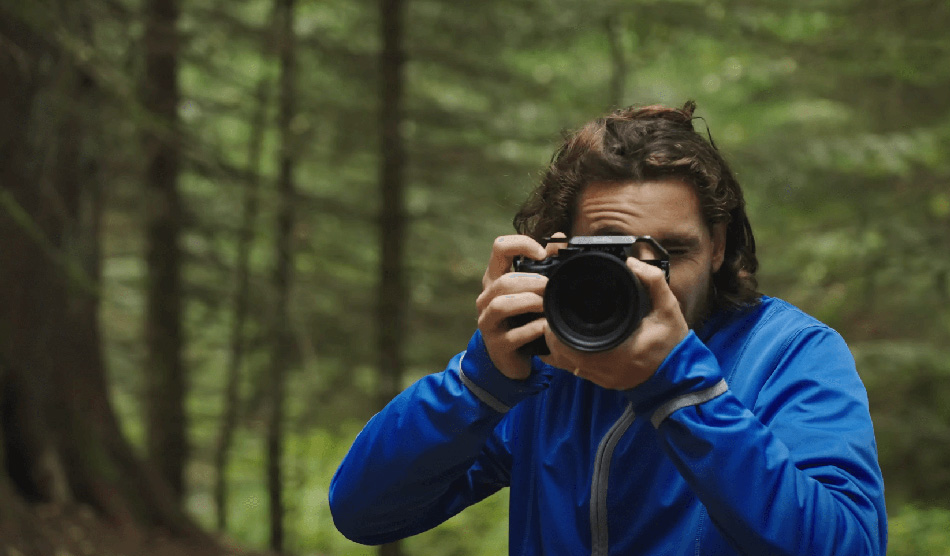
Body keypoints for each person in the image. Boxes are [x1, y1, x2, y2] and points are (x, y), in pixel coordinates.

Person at [329, 101, 887, 555]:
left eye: (672, 252)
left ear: (718, 246)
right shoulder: (549, 367)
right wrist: (480, 383)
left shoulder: (789, 353)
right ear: (561, 248)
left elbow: (847, 546)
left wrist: (682, 391)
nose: (650, 282)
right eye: (617, 253)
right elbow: (364, 512)